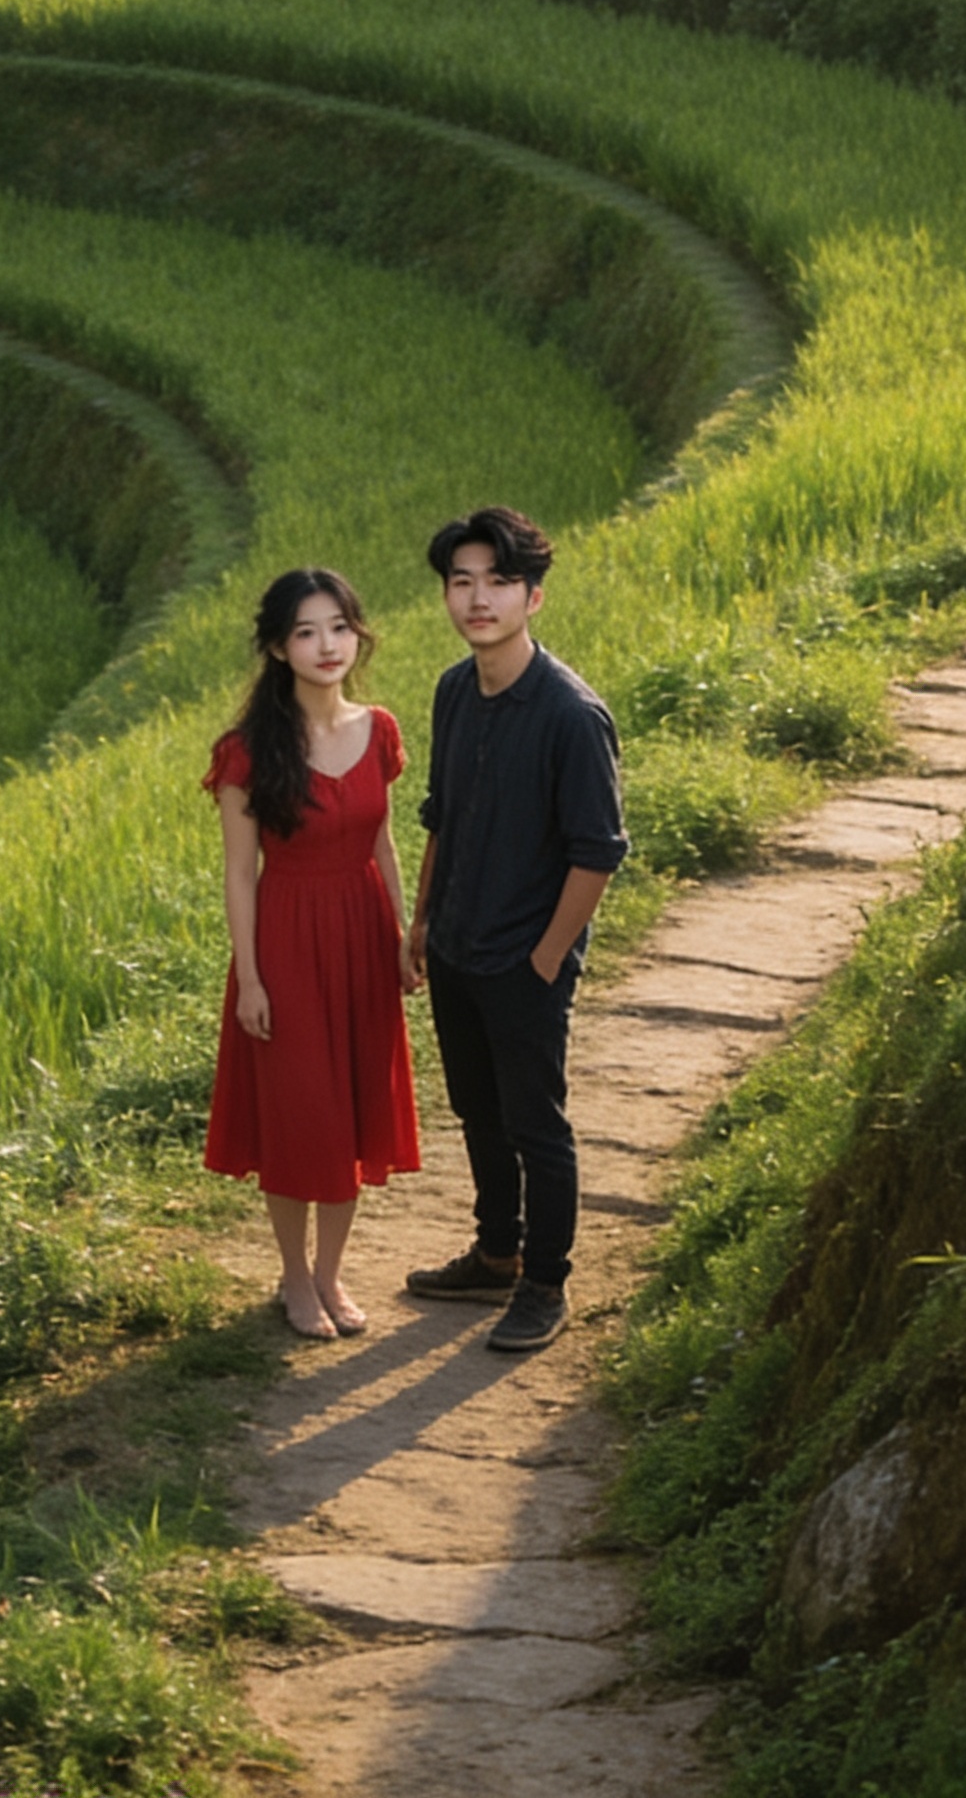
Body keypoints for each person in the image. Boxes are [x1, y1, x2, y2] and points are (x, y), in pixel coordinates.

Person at [401, 505, 628, 1356]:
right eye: (462, 582)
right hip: (456, 946)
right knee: (476, 1110)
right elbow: (442, 817)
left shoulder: (571, 715)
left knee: (536, 1124)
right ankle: (496, 1252)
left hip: (523, 962)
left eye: (498, 582)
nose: (477, 599)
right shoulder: (455, 690)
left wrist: (545, 958)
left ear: (533, 597)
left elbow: (598, 853)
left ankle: (543, 1281)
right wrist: (422, 922)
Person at [203, 565, 421, 1337]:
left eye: (339, 627)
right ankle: (294, 1277)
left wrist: (401, 937)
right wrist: (252, 980)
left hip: (362, 938)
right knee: (303, 1115)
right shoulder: (246, 751)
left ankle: (331, 1275)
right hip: (287, 942)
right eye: (306, 631)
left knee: (354, 1107)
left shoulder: (381, 730)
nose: (327, 645)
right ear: (276, 647)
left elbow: (386, 844)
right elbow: (239, 873)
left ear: (358, 634)